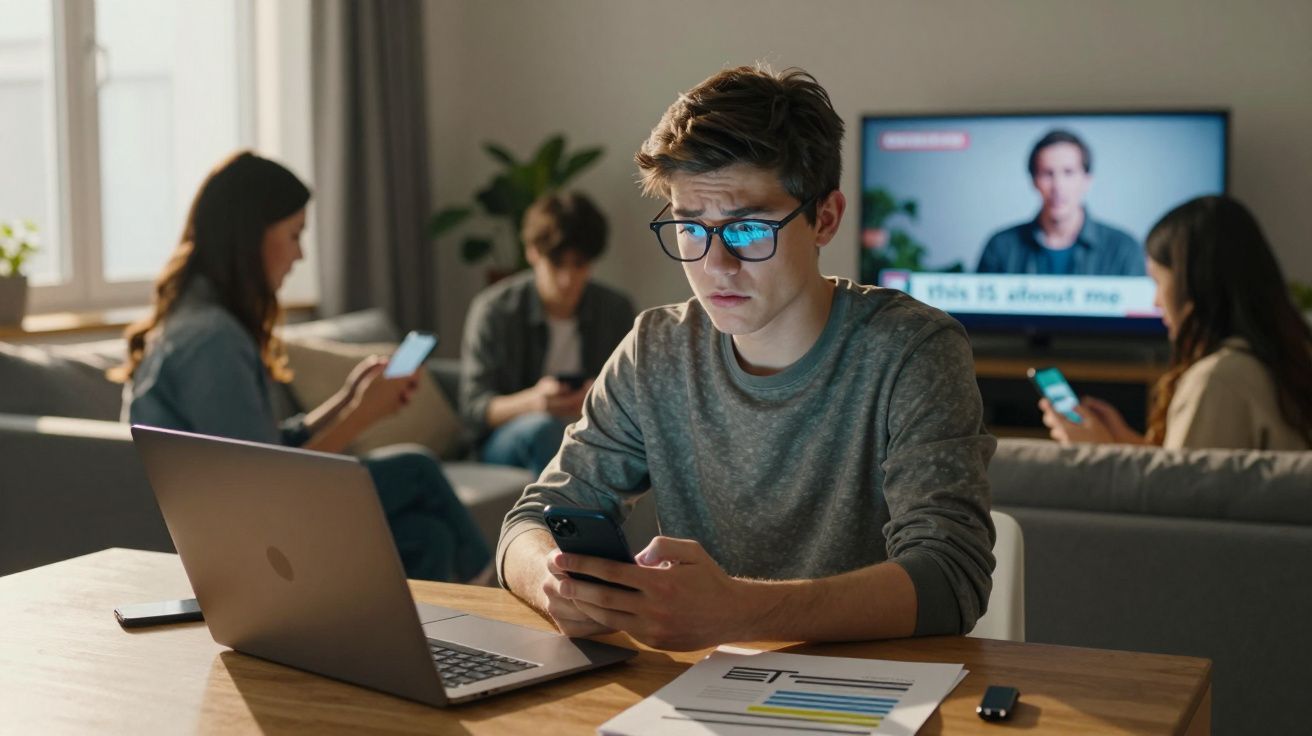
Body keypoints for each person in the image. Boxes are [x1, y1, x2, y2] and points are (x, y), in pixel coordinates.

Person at [497, 66, 996, 652]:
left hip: (876, 683)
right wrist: (552, 582)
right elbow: (529, 522)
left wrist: (738, 612)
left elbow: (950, 578)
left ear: (825, 219)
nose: (716, 266)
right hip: (702, 681)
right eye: (690, 227)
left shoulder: (913, 350)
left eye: (748, 229)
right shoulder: (656, 349)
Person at [112, 151, 492, 583]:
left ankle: (441, 622)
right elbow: (268, 483)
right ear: (250, 235)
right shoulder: (212, 340)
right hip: (226, 534)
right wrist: (363, 413)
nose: (300, 254)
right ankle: (494, 602)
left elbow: (265, 447)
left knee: (426, 537)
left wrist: (346, 399)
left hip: (231, 514)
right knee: (416, 470)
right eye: (294, 235)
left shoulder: (200, 319)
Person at [1041, 195, 1312, 450]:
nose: (1156, 302)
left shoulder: (1218, 380)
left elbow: (1180, 485)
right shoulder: (1270, 362)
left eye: (1158, 282)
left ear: (1193, 285)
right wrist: (1122, 443)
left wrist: (1098, 452)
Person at [460, 191, 636, 476]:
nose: (568, 279)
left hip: (590, 431)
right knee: (544, 430)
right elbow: (474, 410)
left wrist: (598, 398)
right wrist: (535, 402)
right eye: (557, 264)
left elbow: (635, 398)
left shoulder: (615, 309)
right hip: (510, 439)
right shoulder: (496, 310)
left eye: (579, 265)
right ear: (532, 252)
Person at [976, 130, 1143, 276]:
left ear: (1087, 180)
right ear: (1034, 181)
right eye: (1047, 173)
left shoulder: (1123, 249)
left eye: (1068, 172)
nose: (1058, 186)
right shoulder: (1001, 247)